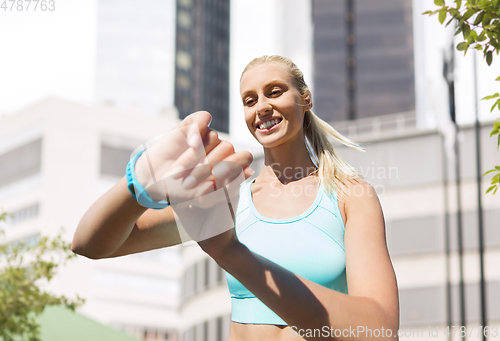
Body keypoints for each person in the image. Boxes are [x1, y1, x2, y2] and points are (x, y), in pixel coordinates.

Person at [72, 55, 399, 341]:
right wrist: (137, 186)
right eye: (249, 99)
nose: (262, 106)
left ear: (305, 98)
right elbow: (89, 244)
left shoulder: (349, 195)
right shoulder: (228, 200)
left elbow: (380, 331)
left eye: (275, 91)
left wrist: (230, 252)